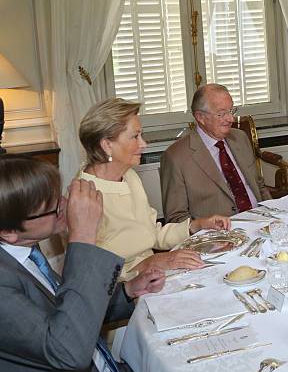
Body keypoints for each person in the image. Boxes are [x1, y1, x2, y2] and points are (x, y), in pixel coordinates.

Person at [0, 155, 166, 372]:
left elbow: (68, 311)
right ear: (9, 232)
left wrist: (127, 291)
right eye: (54, 208)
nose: (66, 207)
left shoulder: (26, 251)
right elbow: (68, 349)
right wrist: (83, 236)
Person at [79, 98, 231, 280]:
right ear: (107, 145)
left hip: (151, 275)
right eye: (135, 136)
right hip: (124, 294)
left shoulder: (129, 176)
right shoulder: (84, 197)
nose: (144, 144)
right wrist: (153, 263)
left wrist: (195, 225)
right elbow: (94, 278)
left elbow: (152, 234)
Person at [160, 84, 272, 222]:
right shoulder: (175, 157)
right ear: (200, 117)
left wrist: (274, 215)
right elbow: (176, 218)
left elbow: (259, 185)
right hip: (219, 235)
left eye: (231, 111)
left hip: (261, 221)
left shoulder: (240, 137)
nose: (230, 118)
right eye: (222, 113)